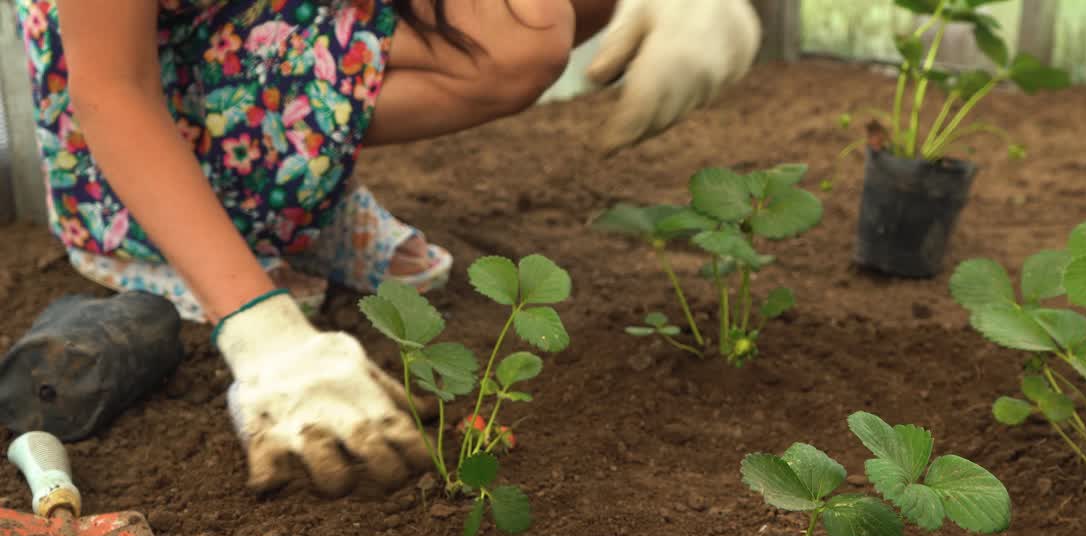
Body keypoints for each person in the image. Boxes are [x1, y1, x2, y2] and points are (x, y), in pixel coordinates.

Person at [12, 0, 763, 497]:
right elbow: (111, 88)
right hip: (130, 87)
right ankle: (204, 226)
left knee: (524, 28)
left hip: (260, 21)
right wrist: (261, 334)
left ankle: (289, 194)